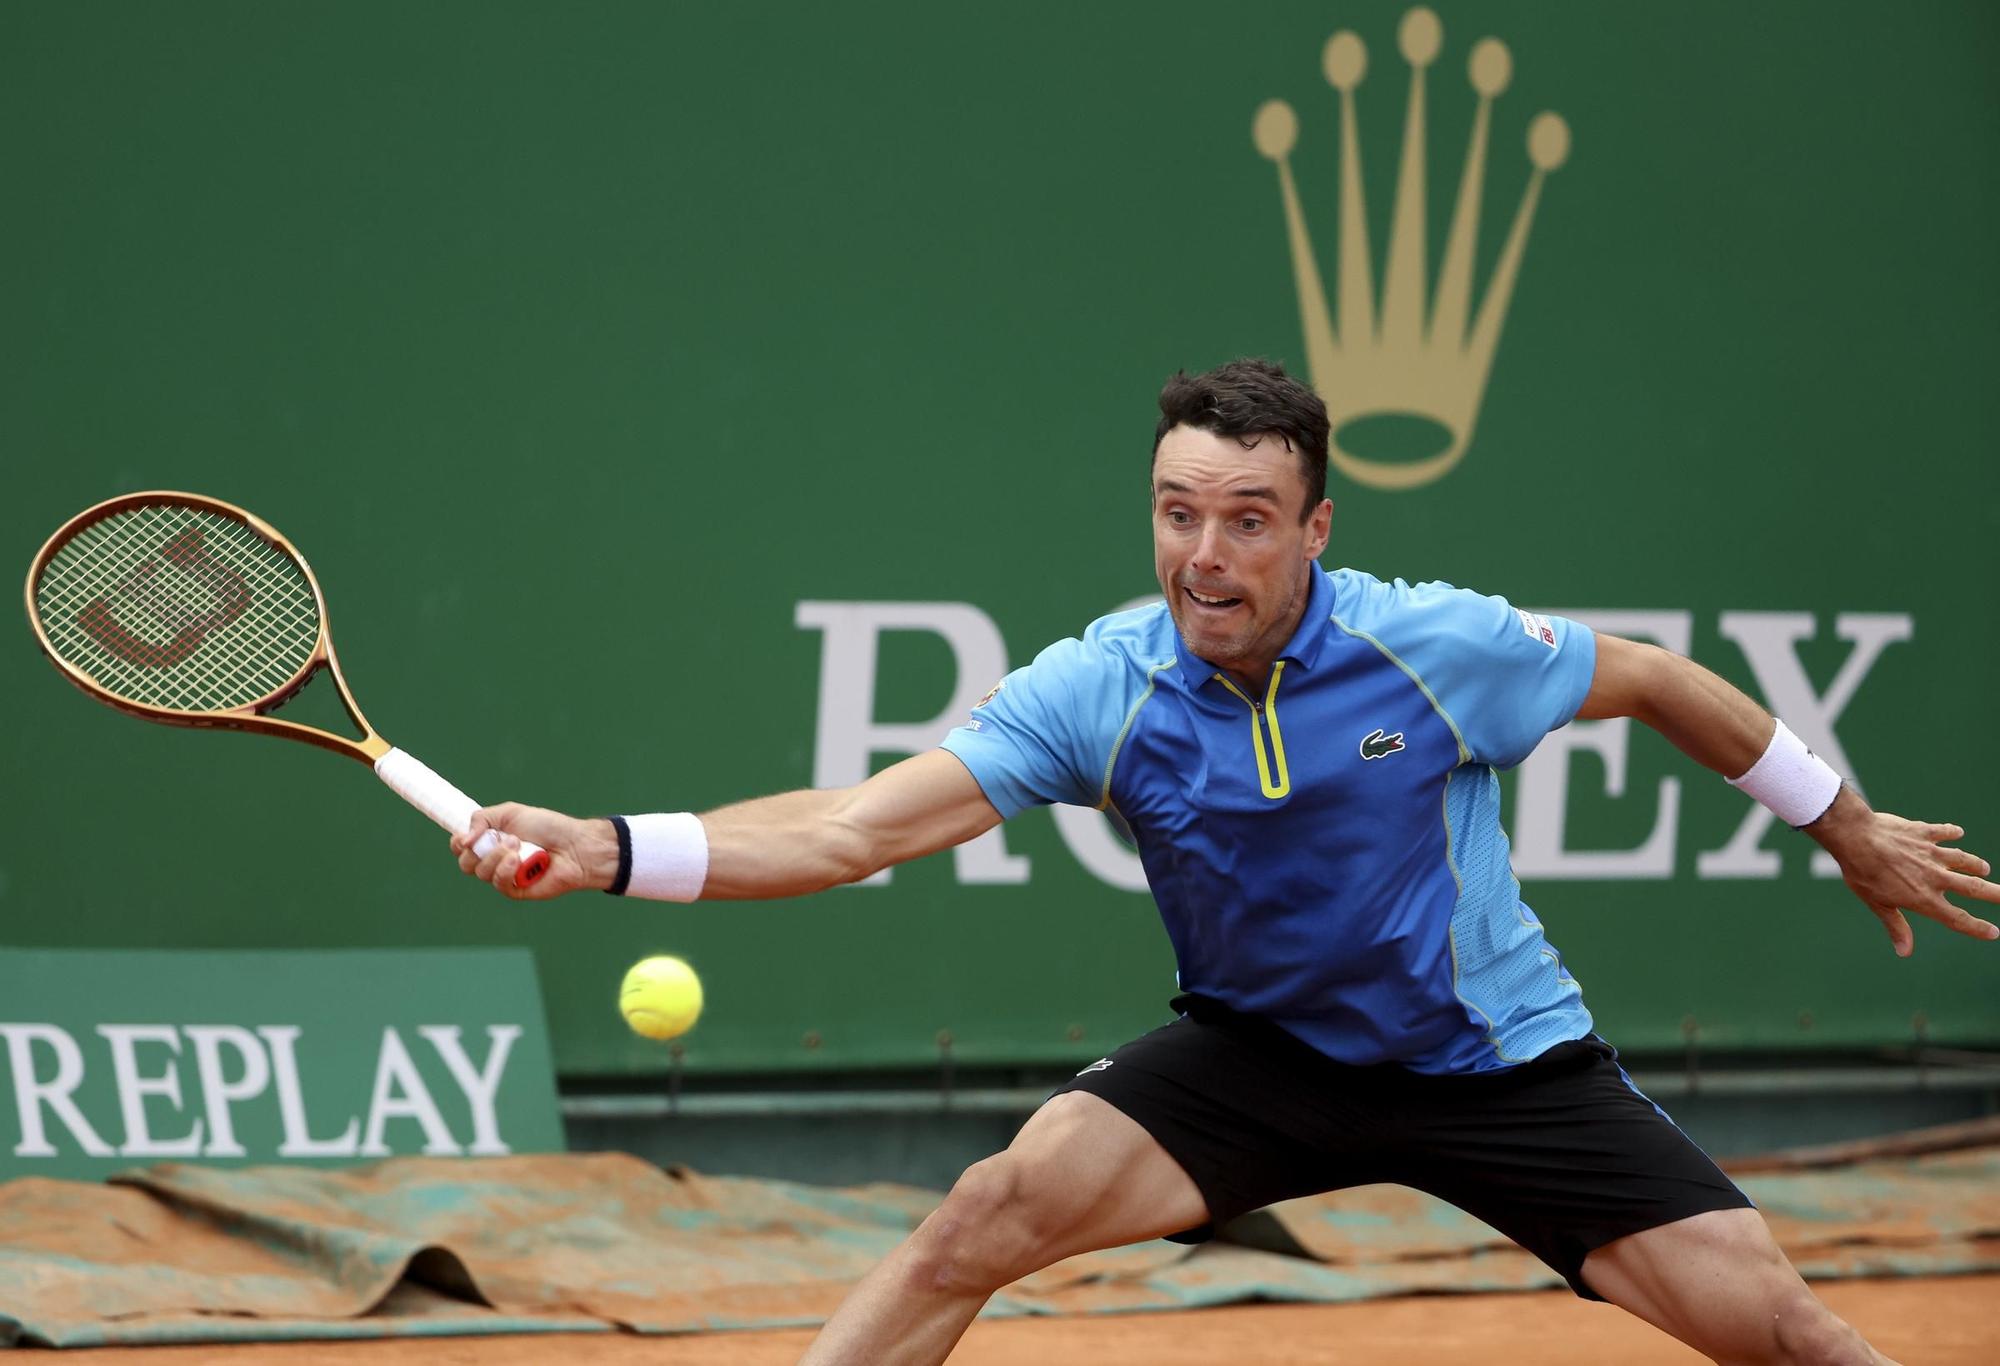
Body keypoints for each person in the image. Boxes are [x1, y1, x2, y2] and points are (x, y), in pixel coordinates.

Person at [454, 358, 1997, 1365]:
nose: (1205, 553)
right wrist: (603, 847)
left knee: (1782, 1325)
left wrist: (1840, 819)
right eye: (1179, 512)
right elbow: (859, 824)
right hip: (1255, 1055)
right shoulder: (1105, 682)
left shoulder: (1431, 646)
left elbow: (1659, 677)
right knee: (977, 1219)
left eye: (1248, 520)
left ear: (1314, 527)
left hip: (1492, 1056)